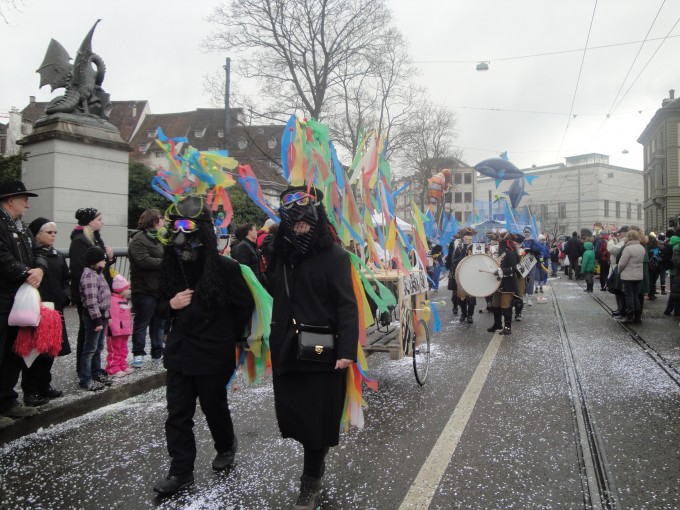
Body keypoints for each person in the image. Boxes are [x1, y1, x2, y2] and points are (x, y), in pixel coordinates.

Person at [153, 196, 254, 497]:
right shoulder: (171, 267)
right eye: (175, 227)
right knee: (177, 414)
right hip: (180, 353)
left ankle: (226, 445)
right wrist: (171, 304)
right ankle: (180, 471)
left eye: (187, 226)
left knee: (214, 408)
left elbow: (244, 305)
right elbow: (157, 307)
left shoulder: (226, 267)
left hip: (213, 353)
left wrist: (227, 336)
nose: (180, 234)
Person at [266, 186, 358, 509]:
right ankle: (315, 461)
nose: (300, 226)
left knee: (317, 420)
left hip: (322, 351)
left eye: (305, 220)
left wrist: (347, 350)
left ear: (316, 218)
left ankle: (311, 479)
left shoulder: (335, 257)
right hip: (287, 348)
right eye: (294, 222)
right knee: (295, 415)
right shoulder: (281, 256)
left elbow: (347, 306)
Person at [0, 181, 47, 428]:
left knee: (14, 351)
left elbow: (39, 250)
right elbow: (2, 258)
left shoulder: (21, 226)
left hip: (19, 299)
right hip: (4, 298)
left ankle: (8, 400)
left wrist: (39, 268)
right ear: (10, 200)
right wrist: (27, 273)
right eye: (24, 199)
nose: (27, 204)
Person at [21, 217, 71, 407]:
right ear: (37, 234)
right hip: (37, 310)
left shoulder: (57, 255)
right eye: (49, 232)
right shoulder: (30, 256)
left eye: (54, 232)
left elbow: (66, 279)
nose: (53, 235)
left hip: (55, 310)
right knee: (34, 352)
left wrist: (65, 296)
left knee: (50, 350)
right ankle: (30, 390)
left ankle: (44, 385)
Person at [69, 208, 115, 375]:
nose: (102, 222)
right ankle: (84, 371)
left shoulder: (94, 238)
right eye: (99, 219)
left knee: (97, 338)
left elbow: (100, 264)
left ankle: (94, 370)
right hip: (89, 295)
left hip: (99, 293)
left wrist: (110, 258)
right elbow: (79, 269)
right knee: (88, 334)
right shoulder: (80, 240)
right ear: (90, 221)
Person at [128, 209, 165, 368]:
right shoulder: (138, 239)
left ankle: (157, 353)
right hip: (144, 289)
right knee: (142, 323)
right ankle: (138, 354)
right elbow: (143, 260)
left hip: (159, 289)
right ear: (155, 221)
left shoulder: (160, 238)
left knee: (159, 324)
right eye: (161, 219)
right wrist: (165, 263)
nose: (163, 222)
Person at [79, 246, 112, 391]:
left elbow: (104, 296)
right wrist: (97, 320)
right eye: (102, 259)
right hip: (94, 317)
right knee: (90, 348)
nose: (105, 262)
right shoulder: (89, 275)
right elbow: (91, 300)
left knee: (98, 347)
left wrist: (107, 315)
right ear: (95, 261)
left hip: (102, 315)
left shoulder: (98, 273)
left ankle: (96, 372)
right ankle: (85, 379)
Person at [487, 230, 519, 335]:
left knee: (505, 306)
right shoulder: (499, 253)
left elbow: (513, 269)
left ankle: (507, 327)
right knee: (495, 305)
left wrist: (500, 271)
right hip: (498, 283)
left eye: (499, 240)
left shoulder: (510, 252)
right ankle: (498, 324)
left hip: (507, 283)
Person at [106, 275, 134, 378]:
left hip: (124, 331)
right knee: (115, 350)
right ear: (120, 290)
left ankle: (122, 365)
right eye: (127, 289)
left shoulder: (124, 300)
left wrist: (129, 328)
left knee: (123, 349)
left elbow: (127, 317)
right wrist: (115, 330)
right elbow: (114, 317)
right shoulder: (113, 300)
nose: (128, 290)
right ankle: (113, 368)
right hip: (116, 331)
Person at [617, 229, 646, 323]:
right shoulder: (641, 248)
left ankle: (629, 315)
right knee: (636, 296)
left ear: (629, 237)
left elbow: (622, 263)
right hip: (638, 276)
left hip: (628, 276)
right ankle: (637, 316)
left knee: (629, 296)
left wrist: (619, 271)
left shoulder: (628, 249)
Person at [449, 228, 477, 323]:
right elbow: (454, 262)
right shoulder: (459, 247)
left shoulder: (476, 247)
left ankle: (470, 315)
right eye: (466, 239)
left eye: (470, 239)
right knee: (462, 296)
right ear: (463, 238)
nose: (468, 241)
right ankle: (464, 313)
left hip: (472, 275)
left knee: (472, 297)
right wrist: (462, 254)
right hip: (462, 275)